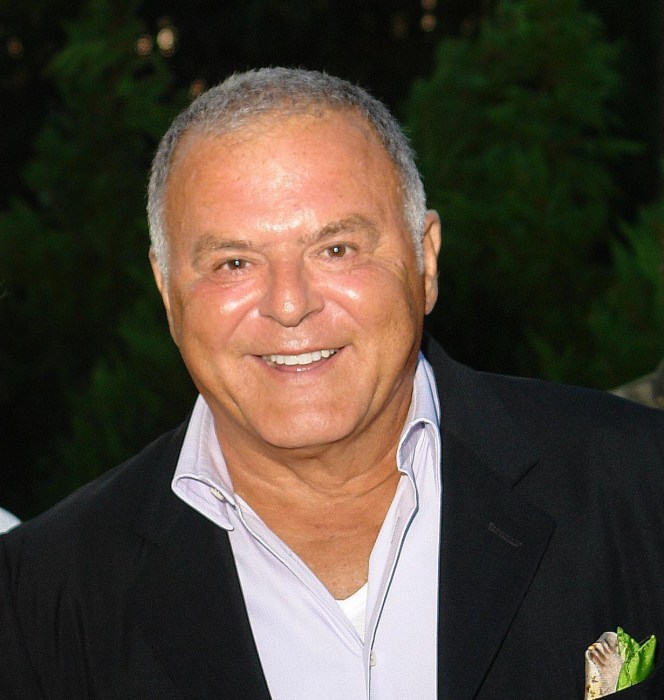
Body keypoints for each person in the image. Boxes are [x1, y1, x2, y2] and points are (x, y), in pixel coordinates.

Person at [1, 68, 663, 700]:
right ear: (167, 291)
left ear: (425, 260)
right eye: (233, 263)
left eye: (336, 249)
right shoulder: (41, 600)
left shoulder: (639, 483)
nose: (289, 304)